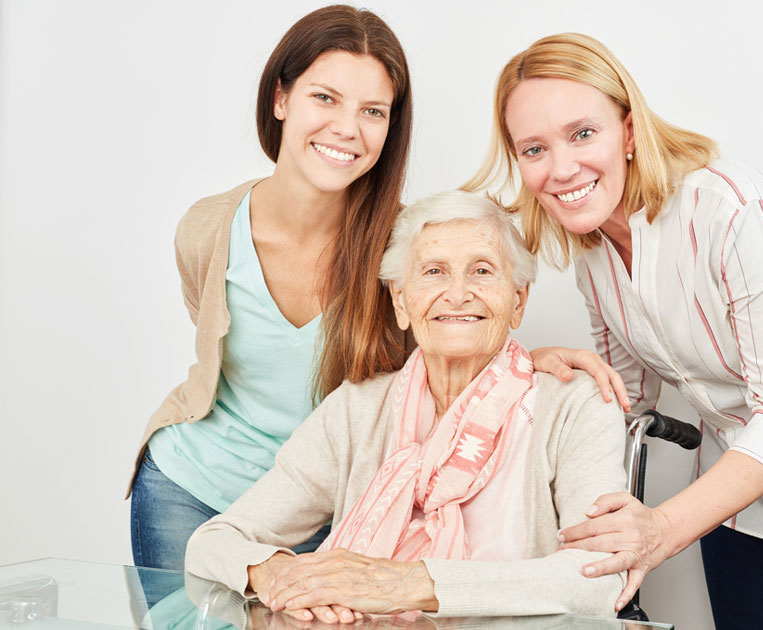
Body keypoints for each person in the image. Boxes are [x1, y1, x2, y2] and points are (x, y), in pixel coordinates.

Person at [466, 32, 763, 629]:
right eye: (534, 148)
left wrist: (661, 529)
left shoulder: (732, 210)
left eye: (582, 133)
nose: (562, 169)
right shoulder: (592, 256)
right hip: (746, 490)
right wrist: (532, 369)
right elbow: (630, 396)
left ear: (630, 131)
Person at [127, 7, 620, 575]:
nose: (347, 128)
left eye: (373, 111)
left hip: (342, 498)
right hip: (191, 487)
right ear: (280, 99)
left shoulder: (405, 248)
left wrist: (525, 362)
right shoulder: (208, 229)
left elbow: (451, 332)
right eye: (325, 98)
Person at [184, 191, 627, 623]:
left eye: (482, 270)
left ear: (518, 301)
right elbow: (214, 541)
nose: (457, 293)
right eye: (433, 271)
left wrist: (409, 585)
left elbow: (599, 576)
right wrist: (278, 572)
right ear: (400, 300)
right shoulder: (357, 410)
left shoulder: (576, 405)